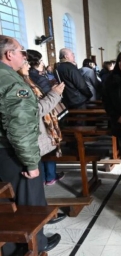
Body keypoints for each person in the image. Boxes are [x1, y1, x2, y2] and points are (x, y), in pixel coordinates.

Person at [0, 35, 61, 255]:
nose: (23, 56)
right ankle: (34, 245)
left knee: (5, 203)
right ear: (9, 54)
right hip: (11, 153)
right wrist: (31, 162)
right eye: (21, 51)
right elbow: (20, 127)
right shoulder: (13, 83)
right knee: (28, 201)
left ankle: (7, 246)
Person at [26, 49, 65, 185]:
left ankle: (44, 177)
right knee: (47, 146)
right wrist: (55, 92)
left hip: (42, 117)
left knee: (43, 148)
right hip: (45, 117)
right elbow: (44, 100)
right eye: (41, 60)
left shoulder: (29, 76)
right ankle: (49, 176)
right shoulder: (34, 77)